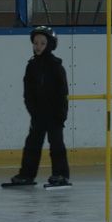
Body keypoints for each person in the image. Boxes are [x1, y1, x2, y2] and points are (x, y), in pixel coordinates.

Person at [9, 26, 70, 186]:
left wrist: (61, 114)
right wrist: (33, 111)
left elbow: (62, 92)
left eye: (42, 43)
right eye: (35, 43)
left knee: (56, 145)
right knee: (32, 145)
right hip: (38, 115)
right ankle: (27, 175)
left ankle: (60, 174)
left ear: (50, 45)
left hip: (55, 115)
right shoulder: (31, 66)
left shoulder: (56, 66)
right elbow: (27, 92)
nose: (38, 46)